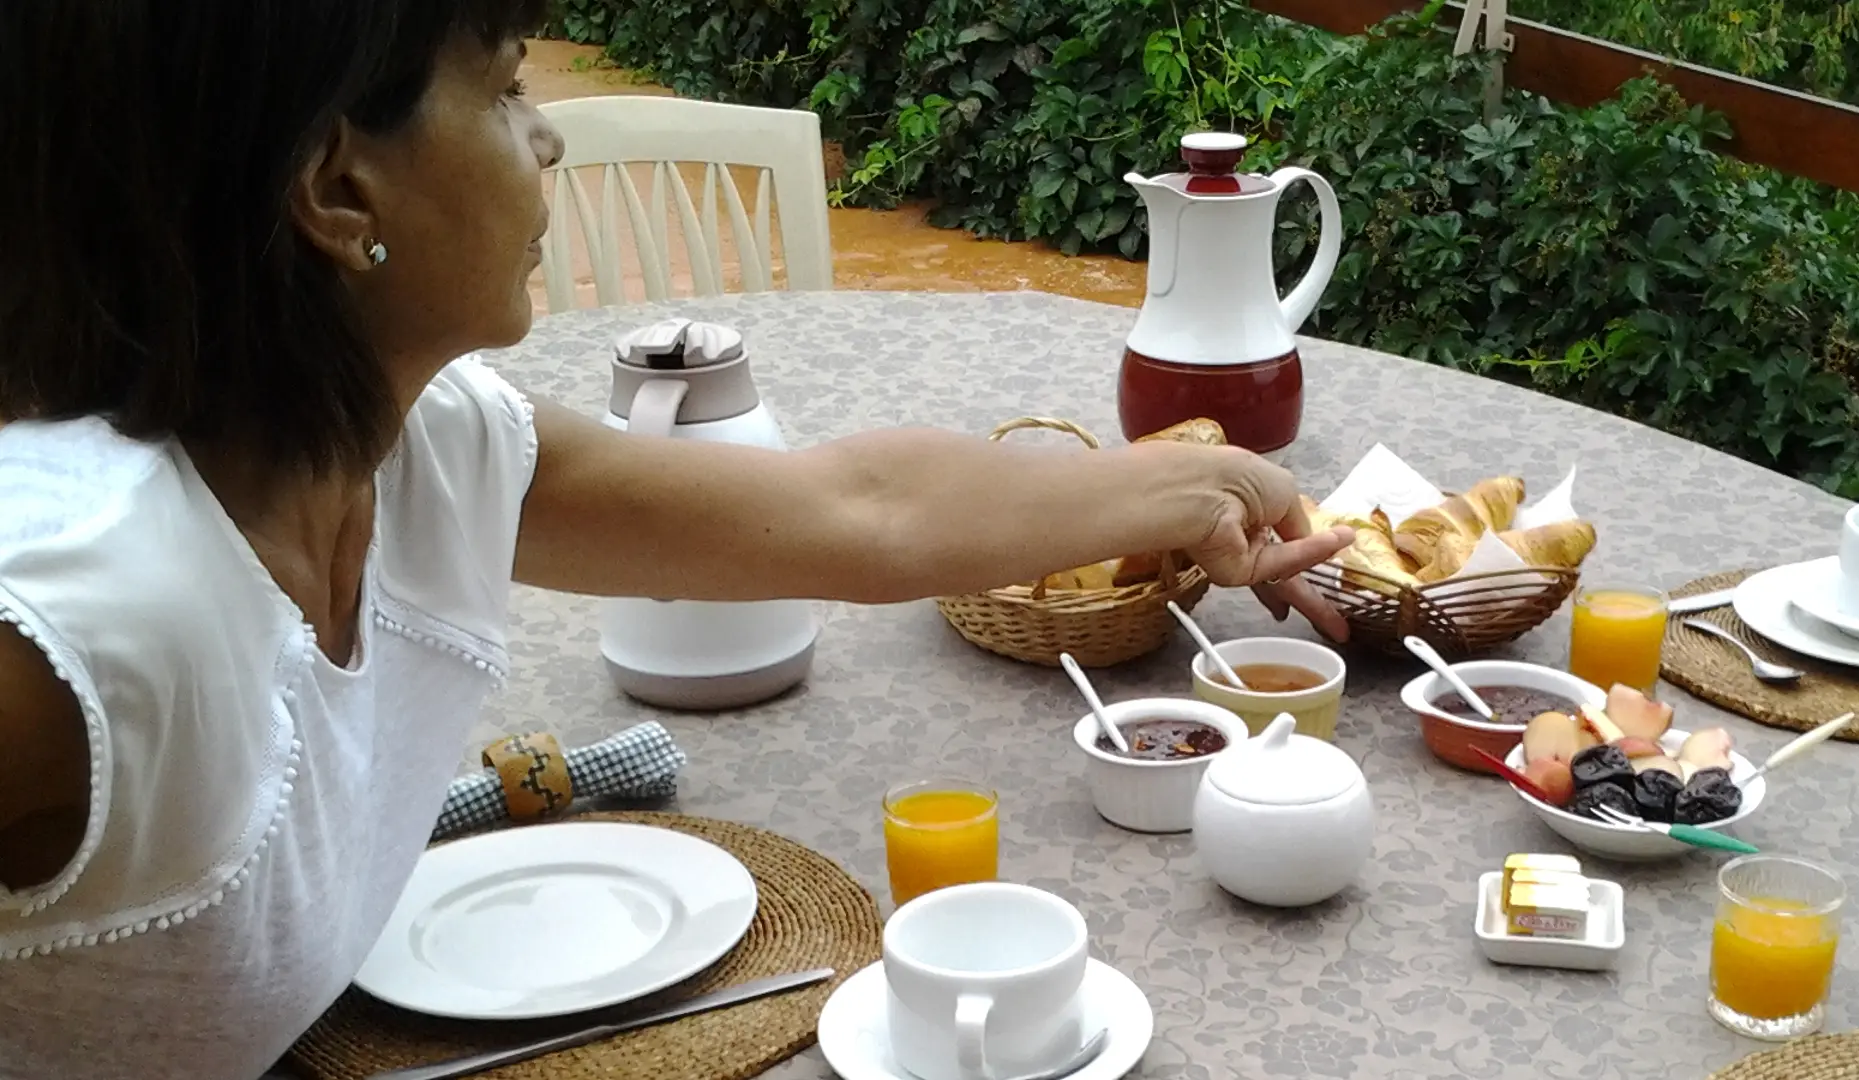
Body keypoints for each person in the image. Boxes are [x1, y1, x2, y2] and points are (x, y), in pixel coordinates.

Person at [0, 2, 1353, 1077]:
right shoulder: (93, 612)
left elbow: (857, 512)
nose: (549, 141)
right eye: (510, 85)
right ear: (337, 188)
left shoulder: (425, 447)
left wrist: (1205, 488)